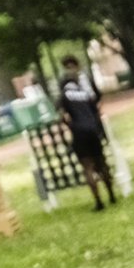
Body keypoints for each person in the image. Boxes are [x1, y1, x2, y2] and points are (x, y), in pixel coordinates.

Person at [55, 54, 116, 210]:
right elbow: (97, 103)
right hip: (93, 127)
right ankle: (112, 195)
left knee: (87, 166)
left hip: (78, 131)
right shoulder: (86, 87)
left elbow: (63, 114)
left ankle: (98, 202)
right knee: (101, 162)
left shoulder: (64, 91)